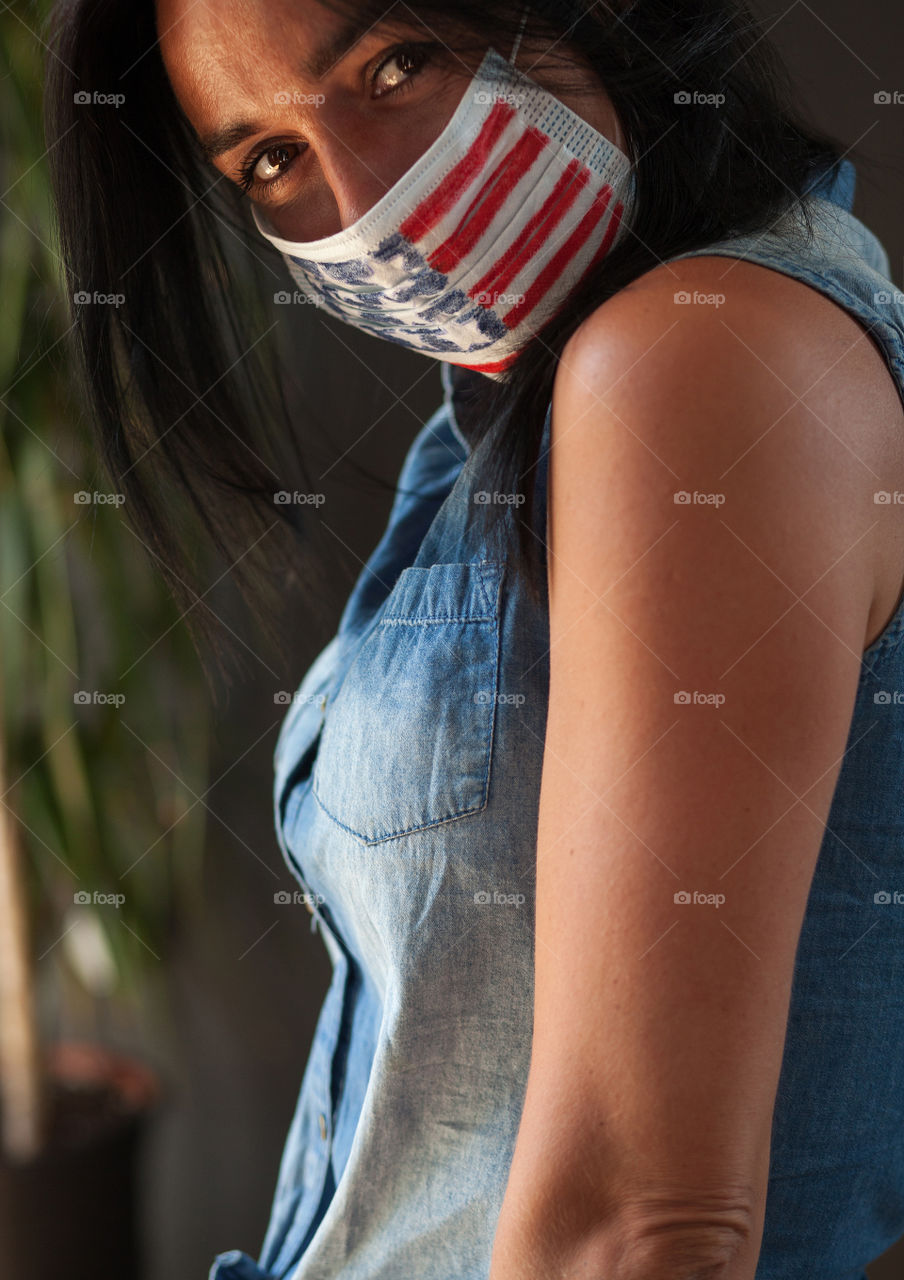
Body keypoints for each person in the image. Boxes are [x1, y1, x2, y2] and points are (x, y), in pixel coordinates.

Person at [43, 0, 904, 1277]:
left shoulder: (699, 356)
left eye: (395, 64)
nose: (366, 198)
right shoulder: (525, 415)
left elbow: (642, 1223)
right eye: (270, 158)